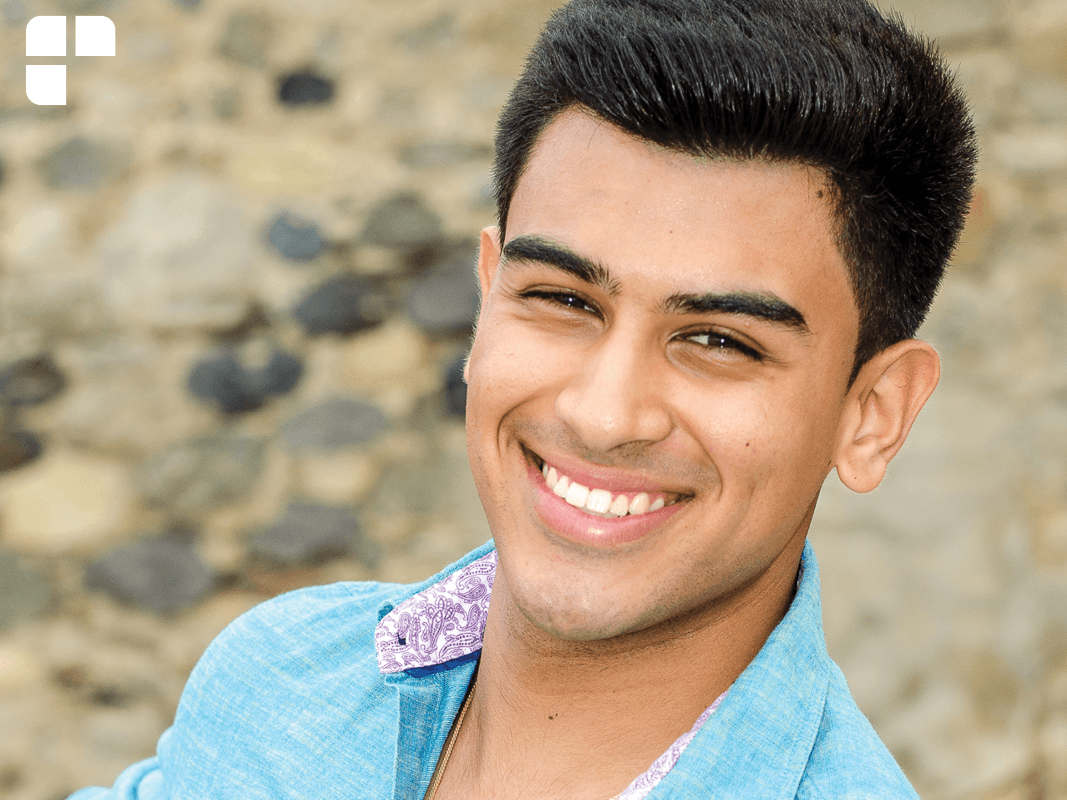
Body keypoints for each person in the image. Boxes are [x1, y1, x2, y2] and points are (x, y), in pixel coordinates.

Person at [70, 0, 977, 797]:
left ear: (873, 414)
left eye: (718, 342)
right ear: (485, 298)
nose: (602, 414)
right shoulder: (283, 677)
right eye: (562, 300)